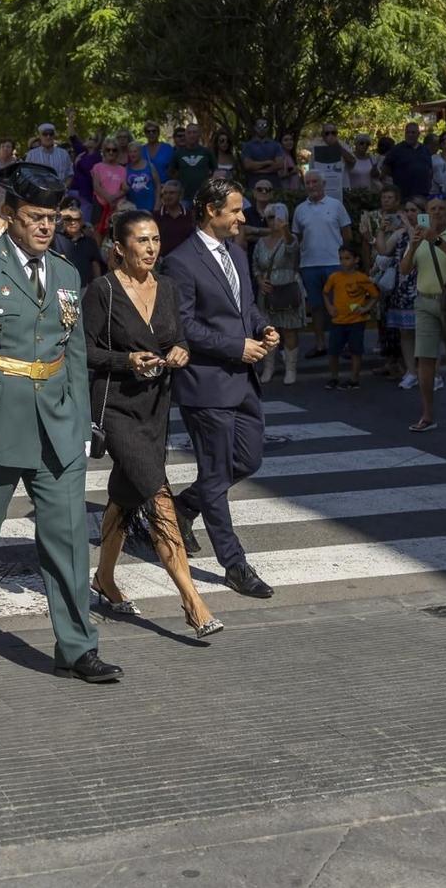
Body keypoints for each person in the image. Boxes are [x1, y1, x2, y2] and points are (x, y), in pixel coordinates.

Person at [0, 161, 121, 682]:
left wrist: (81, 423)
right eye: (35, 217)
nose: (45, 227)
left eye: (53, 218)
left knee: (65, 536)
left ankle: (78, 647)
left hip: (56, 422)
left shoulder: (65, 272)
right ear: (11, 216)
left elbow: (74, 352)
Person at [85, 209, 222, 637]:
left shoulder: (167, 289)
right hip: (117, 409)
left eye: (156, 240)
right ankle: (192, 599)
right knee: (158, 496)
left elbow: (176, 337)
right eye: (141, 241)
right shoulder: (102, 292)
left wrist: (180, 351)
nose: (150, 248)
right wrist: (125, 359)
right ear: (120, 248)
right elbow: (82, 351)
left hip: (155, 407)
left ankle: (104, 580)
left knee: (125, 498)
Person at [161, 176, 281, 599]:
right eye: (235, 210)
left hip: (242, 380)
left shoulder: (237, 251)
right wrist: (235, 345)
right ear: (211, 211)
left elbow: (244, 305)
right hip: (206, 383)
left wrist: (262, 326)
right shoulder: (181, 261)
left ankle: (182, 506)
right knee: (215, 475)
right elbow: (184, 325)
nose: (242, 217)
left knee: (247, 461)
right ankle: (233, 564)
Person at [405, 195, 446, 431]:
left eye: (442, 208)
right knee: (425, 359)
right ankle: (426, 414)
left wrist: (437, 241)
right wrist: (413, 245)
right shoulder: (419, 233)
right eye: (432, 209)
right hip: (425, 301)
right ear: (427, 211)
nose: (437, 212)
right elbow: (404, 270)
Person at [292, 172, 353, 361]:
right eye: (308, 182)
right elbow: (296, 238)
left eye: (315, 181)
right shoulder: (300, 209)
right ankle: (320, 344)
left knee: (340, 306)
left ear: (323, 183)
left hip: (334, 264)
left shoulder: (336, 205)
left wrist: (346, 262)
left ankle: (343, 345)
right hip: (309, 265)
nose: (312, 185)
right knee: (317, 307)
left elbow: (347, 235)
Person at [252, 202, 305, 385]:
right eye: (270, 217)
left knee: (289, 330)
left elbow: (292, 249)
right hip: (267, 292)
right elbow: (256, 265)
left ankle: (291, 369)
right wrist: (259, 280)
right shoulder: (261, 242)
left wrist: (286, 231)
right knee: (268, 331)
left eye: (276, 217)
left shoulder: (291, 238)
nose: (273, 221)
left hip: (288, 287)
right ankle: (268, 368)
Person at [322, 245, 380, 389]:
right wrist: (330, 307)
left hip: (356, 321)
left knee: (356, 351)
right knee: (333, 351)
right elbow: (325, 292)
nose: (343, 262)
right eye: (341, 258)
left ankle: (354, 379)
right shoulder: (334, 277)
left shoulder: (361, 278)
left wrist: (366, 308)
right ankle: (334, 377)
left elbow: (374, 295)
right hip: (338, 320)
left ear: (356, 260)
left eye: (347, 258)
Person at [380, 200, 422, 388]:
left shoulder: (427, 231)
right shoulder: (399, 233)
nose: (409, 213)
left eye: (413, 210)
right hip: (402, 286)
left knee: (424, 332)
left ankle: (429, 373)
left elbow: (417, 244)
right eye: (406, 210)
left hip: (420, 286)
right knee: (405, 332)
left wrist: (406, 223)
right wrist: (379, 230)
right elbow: (383, 250)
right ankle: (411, 371)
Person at [380, 121, 434, 201]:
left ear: (418, 134)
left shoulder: (425, 150)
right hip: (403, 196)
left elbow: (430, 170)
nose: (410, 135)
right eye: (408, 132)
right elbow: (385, 168)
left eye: (413, 132)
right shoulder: (396, 150)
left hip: (423, 195)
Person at [54, 203, 105, 284]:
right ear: (63, 221)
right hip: (62, 285)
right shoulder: (56, 239)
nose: (73, 222)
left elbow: (95, 265)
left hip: (86, 287)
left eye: (76, 219)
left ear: (82, 221)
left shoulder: (90, 241)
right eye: (68, 219)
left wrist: (97, 284)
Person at [172, 124, 217, 200]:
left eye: (194, 132)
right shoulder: (178, 154)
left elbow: (215, 170)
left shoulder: (206, 152)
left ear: (199, 134)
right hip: (184, 197)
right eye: (189, 133)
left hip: (204, 195)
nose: (192, 135)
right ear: (186, 135)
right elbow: (172, 172)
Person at [239, 120, 283, 192]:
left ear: (268, 128)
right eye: (259, 126)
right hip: (253, 182)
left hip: (274, 183)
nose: (262, 128)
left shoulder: (276, 145)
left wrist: (258, 169)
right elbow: (248, 165)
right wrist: (268, 162)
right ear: (255, 128)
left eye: (264, 126)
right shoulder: (248, 146)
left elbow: (279, 165)